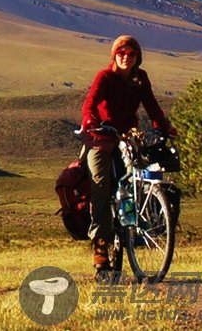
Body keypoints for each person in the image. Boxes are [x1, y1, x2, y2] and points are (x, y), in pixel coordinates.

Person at [79, 34, 175, 279]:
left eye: (131, 54)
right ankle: (101, 248)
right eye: (121, 53)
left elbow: (152, 106)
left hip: (127, 137)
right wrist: (90, 121)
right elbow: (90, 102)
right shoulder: (105, 77)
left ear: (137, 57)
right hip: (100, 138)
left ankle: (132, 232)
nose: (126, 58)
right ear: (114, 55)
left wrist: (163, 126)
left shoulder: (140, 79)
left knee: (135, 181)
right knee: (100, 186)